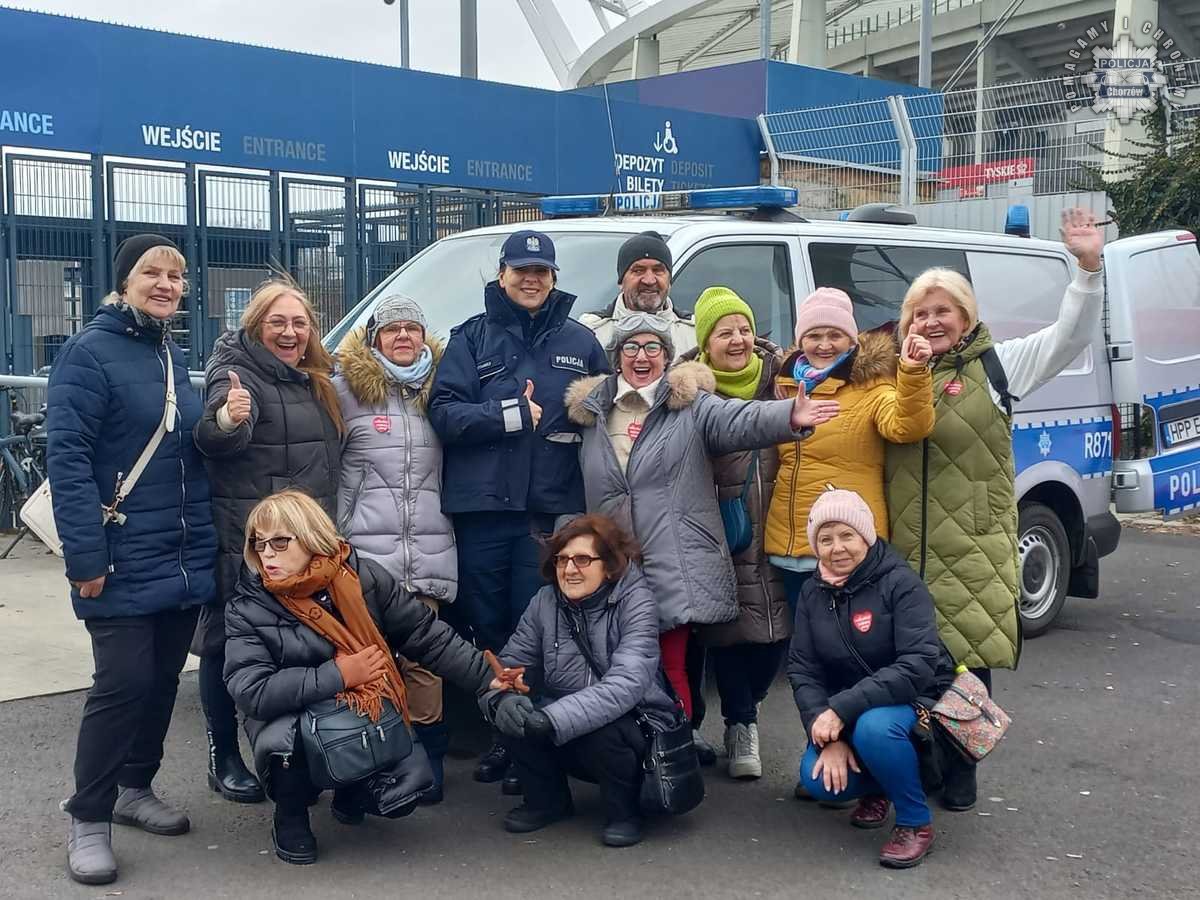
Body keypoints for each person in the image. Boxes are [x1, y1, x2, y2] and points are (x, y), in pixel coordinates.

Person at [885, 207, 1105, 810]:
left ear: (966, 317)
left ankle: (962, 767)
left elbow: (1070, 337)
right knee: (909, 661)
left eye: (943, 311)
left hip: (972, 540)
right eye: (920, 312)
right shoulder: (894, 371)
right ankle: (923, 758)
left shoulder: (996, 364)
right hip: (904, 543)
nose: (931, 322)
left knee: (966, 660)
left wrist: (1087, 270)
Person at [564, 312, 840, 721]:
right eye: (632, 347)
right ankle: (632, 757)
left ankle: (673, 760)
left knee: (671, 666)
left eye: (653, 346)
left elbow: (738, 420)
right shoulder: (592, 413)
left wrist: (786, 416)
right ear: (617, 356)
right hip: (614, 568)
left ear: (667, 355)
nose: (643, 356)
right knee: (620, 668)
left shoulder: (689, 406)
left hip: (671, 562)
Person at [47, 235, 218, 886]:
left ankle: (134, 787)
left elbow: (187, 456)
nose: (168, 284)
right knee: (120, 685)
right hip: (116, 557)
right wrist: (84, 558)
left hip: (177, 556)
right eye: (153, 272)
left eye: (177, 276)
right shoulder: (87, 354)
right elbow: (66, 463)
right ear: (124, 282)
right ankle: (89, 815)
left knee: (162, 682)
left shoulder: (171, 354)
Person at [223, 490, 495, 865]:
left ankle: (352, 787)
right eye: (259, 543)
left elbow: (426, 636)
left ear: (311, 538)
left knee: (403, 797)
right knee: (286, 740)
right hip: (293, 716)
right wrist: (338, 674)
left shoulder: (362, 576)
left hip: (361, 711)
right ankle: (291, 813)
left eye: (280, 542)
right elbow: (251, 691)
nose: (267, 554)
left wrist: (489, 681)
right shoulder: (247, 606)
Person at [428, 229, 609, 789]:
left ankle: (525, 744)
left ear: (554, 278)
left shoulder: (582, 343)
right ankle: (499, 733)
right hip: (484, 514)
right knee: (486, 627)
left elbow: (607, 421)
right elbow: (445, 414)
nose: (531, 280)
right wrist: (507, 414)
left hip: (546, 516)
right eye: (521, 270)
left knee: (537, 629)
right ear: (502, 275)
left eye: (542, 271)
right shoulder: (470, 340)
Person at [192, 278, 343, 806]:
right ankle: (223, 757)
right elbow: (215, 431)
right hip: (248, 541)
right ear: (256, 326)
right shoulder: (236, 373)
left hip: (307, 542)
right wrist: (228, 420)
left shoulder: (317, 376)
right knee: (224, 649)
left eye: (299, 322)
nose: (290, 331)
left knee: (298, 649)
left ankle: (298, 755)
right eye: (278, 322)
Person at [485, 514, 678, 848]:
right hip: (564, 718)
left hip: (636, 723)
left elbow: (626, 685)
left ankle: (625, 812)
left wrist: (552, 718)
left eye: (583, 559)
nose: (569, 569)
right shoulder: (544, 602)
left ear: (610, 564)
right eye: (562, 559)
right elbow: (513, 662)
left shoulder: (637, 601)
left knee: (604, 728)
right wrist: (504, 691)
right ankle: (547, 802)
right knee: (513, 713)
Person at [788, 489, 956, 869]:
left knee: (875, 729)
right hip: (850, 710)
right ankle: (880, 786)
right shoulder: (812, 593)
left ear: (866, 534)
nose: (837, 548)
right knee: (818, 782)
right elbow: (803, 669)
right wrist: (827, 732)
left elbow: (918, 664)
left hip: (918, 698)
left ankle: (915, 822)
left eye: (847, 535)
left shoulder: (901, 582)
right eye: (826, 539)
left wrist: (840, 712)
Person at [333, 294, 455, 804]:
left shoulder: (443, 393)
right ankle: (366, 766)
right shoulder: (345, 393)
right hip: (365, 556)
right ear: (375, 338)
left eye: (412, 328)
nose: (403, 337)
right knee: (367, 662)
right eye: (391, 329)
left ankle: (428, 766)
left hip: (428, 550)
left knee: (424, 663)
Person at [765, 287, 934, 612]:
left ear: (852, 340)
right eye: (814, 335)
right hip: (788, 545)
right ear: (801, 340)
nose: (824, 345)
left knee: (847, 647)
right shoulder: (784, 385)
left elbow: (909, 426)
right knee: (805, 646)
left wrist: (912, 373)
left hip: (846, 546)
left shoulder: (871, 385)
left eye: (835, 335)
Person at [680, 287, 790, 780]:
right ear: (706, 342)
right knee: (727, 634)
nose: (739, 339)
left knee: (773, 638)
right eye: (725, 332)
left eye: (744, 329)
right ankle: (741, 724)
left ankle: (752, 703)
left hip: (779, 525)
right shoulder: (688, 393)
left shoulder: (781, 379)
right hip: (722, 530)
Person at [580, 230, 696, 358]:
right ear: (621, 281)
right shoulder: (591, 332)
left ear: (669, 280)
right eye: (638, 270)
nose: (649, 280)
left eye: (658, 270)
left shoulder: (694, 333)